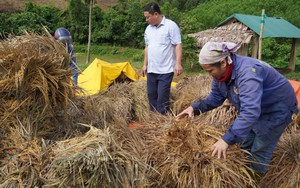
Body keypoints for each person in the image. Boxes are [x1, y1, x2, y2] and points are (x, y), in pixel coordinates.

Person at [176, 41, 298, 173]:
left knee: (260, 148)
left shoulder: (248, 74)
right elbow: (215, 98)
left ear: (223, 62)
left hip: (276, 109)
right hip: (256, 107)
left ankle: (255, 177)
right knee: (244, 143)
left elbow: (250, 112)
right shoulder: (221, 74)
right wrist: (194, 108)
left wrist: (226, 139)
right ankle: (245, 169)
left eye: (210, 70)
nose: (209, 75)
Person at [142, 2, 183, 115]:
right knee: (151, 95)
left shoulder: (170, 26)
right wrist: (145, 64)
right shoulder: (148, 29)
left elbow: (178, 44)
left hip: (166, 69)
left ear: (156, 14)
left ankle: (163, 121)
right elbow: (147, 47)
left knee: (162, 97)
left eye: (148, 17)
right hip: (152, 69)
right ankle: (154, 120)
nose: (146, 20)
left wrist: (178, 63)